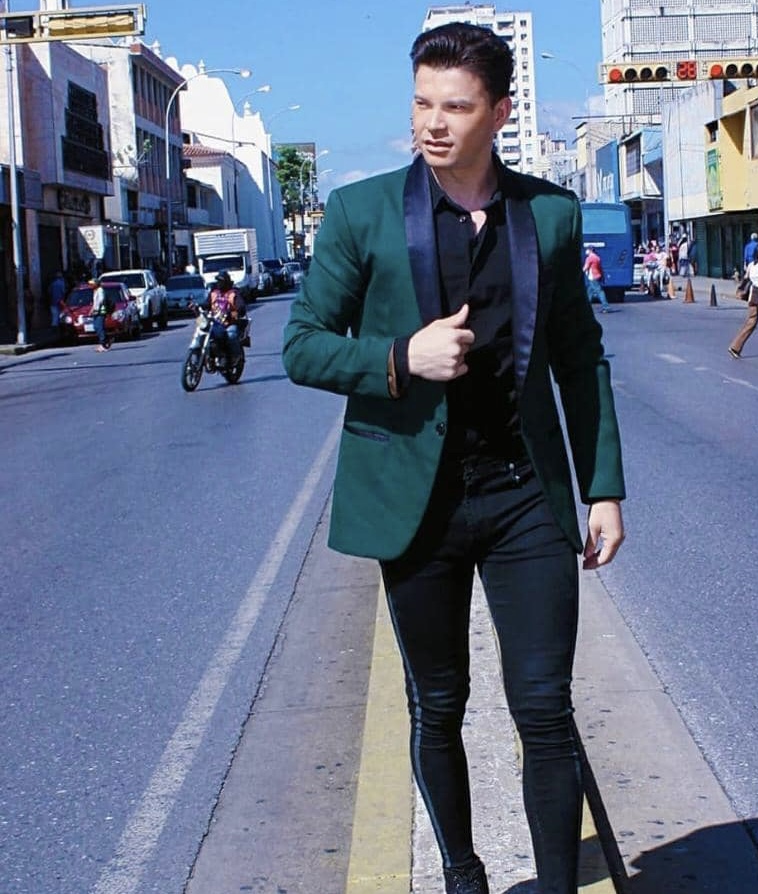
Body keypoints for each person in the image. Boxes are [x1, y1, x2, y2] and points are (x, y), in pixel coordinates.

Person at [282, 22, 625, 894]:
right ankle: (463, 874)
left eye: (456, 107)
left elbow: (580, 359)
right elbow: (303, 346)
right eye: (422, 103)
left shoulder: (549, 215)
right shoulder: (360, 213)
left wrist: (603, 489)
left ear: (501, 113)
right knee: (438, 704)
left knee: (545, 708)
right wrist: (401, 358)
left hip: (524, 495)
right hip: (419, 502)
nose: (432, 123)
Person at [206, 272, 244, 363]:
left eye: (221, 281)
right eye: (218, 281)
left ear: (226, 282)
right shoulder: (214, 293)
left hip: (229, 323)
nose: (219, 283)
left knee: (231, 335)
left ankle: (235, 356)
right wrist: (196, 307)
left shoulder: (233, 294)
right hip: (214, 323)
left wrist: (233, 313)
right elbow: (206, 305)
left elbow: (241, 307)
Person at [582, 244, 610, 312]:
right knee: (589, 292)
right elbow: (600, 268)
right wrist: (602, 277)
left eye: (587, 249)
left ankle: (606, 307)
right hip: (597, 276)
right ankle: (585, 307)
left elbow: (585, 268)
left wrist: (579, 274)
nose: (586, 251)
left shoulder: (589, 258)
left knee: (599, 292)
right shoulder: (597, 257)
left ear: (590, 250)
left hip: (593, 277)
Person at [90, 281, 112, 352]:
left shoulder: (100, 290)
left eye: (92, 284)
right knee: (96, 327)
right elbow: (95, 302)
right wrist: (92, 310)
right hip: (96, 312)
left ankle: (103, 345)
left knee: (100, 327)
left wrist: (97, 307)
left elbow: (101, 300)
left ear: (96, 284)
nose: (90, 285)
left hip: (101, 312)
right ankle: (107, 340)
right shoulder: (95, 291)